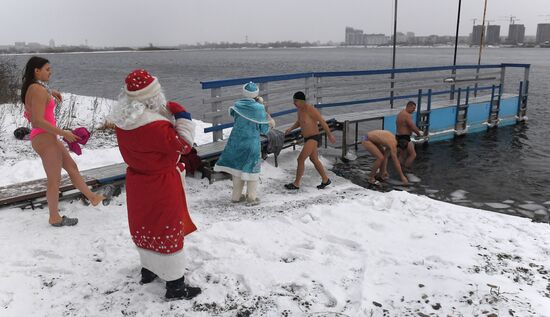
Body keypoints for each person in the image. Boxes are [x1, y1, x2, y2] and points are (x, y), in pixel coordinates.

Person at [110, 69, 201, 300]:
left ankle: (149, 269)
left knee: (146, 225)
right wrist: (183, 118)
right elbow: (184, 146)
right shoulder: (157, 127)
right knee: (166, 226)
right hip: (160, 182)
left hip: (137, 181)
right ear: (152, 96)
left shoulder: (123, 121)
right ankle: (175, 286)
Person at [21, 56, 105, 227]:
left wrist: (50, 93)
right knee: (54, 180)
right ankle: (54, 217)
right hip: (44, 137)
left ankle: (93, 197)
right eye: (47, 69)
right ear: (36, 71)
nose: (50, 72)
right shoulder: (36, 90)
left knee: (72, 167)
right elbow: (37, 120)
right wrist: (64, 132)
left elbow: (38, 103)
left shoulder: (36, 88)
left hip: (48, 136)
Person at [214, 82, 270, 205]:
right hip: (251, 143)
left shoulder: (237, 105)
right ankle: (251, 197)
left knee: (237, 169)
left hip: (236, 141)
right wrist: (261, 107)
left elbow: (236, 118)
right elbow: (264, 129)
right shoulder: (259, 108)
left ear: (243, 92)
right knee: (252, 170)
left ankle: (236, 197)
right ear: (256, 94)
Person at [284, 91, 336, 190]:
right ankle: (325, 180)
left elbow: (323, 122)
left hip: (313, 138)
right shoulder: (299, 110)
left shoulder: (311, 110)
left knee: (300, 159)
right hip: (307, 138)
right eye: (293, 101)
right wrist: (290, 129)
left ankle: (296, 183)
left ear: (302, 101)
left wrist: (329, 135)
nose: (294, 103)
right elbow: (300, 122)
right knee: (314, 160)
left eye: (296, 101)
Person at [395, 101, 424, 171]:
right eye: (413, 108)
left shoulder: (401, 113)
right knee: (413, 154)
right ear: (409, 106)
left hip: (399, 136)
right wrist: (419, 134)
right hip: (404, 138)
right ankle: (406, 170)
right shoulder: (407, 115)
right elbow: (412, 126)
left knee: (402, 155)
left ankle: (399, 169)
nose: (414, 110)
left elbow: (406, 126)